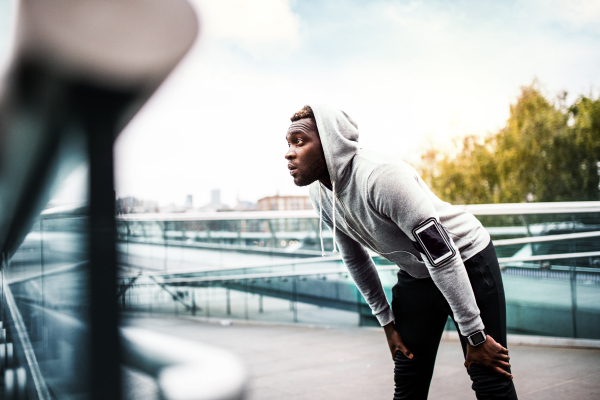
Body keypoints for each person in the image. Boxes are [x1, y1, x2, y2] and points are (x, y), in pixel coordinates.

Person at [284, 104, 518, 400]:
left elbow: (441, 254)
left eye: (300, 142)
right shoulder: (320, 194)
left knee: (489, 377)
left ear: (330, 143)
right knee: (408, 378)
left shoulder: (382, 178)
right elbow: (354, 258)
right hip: (417, 273)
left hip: (466, 259)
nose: (289, 153)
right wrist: (387, 323)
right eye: (289, 144)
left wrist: (475, 334)